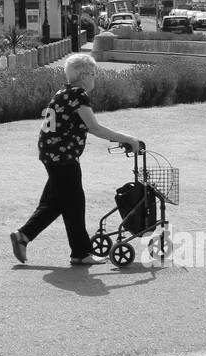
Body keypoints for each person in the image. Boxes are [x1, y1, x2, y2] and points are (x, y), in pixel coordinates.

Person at [10, 53, 145, 266]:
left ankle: (23, 236)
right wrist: (127, 138)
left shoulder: (63, 91)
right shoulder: (78, 94)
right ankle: (80, 253)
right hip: (63, 156)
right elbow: (94, 127)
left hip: (51, 153)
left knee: (55, 202)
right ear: (83, 75)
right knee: (74, 203)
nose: (94, 78)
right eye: (92, 73)